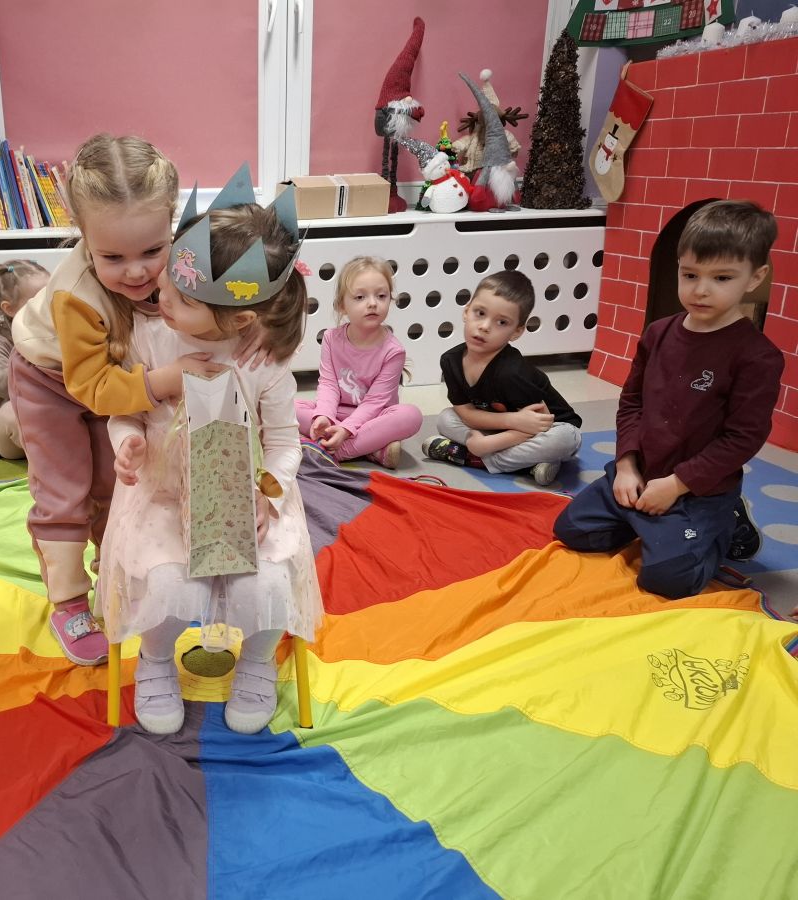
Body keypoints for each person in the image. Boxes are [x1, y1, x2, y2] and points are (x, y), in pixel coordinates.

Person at [99, 174, 322, 736]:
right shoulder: (152, 335)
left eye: (182, 298)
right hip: (162, 494)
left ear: (240, 318)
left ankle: (256, 661)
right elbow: (125, 409)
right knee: (174, 584)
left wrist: (268, 497)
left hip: (245, 500)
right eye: (168, 284)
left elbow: (284, 444)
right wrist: (126, 442)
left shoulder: (263, 359)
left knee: (263, 586)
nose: (161, 299)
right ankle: (156, 660)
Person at [8, 134, 223, 666]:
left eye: (152, 251)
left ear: (171, 224)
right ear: (84, 237)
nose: (136, 272)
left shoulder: (180, 255)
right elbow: (93, 388)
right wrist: (165, 380)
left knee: (119, 479)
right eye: (112, 257)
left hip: (120, 377)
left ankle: (117, 570)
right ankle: (68, 603)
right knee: (65, 491)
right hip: (50, 381)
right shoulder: (77, 296)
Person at [554, 201, 782, 599]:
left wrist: (676, 486)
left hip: (697, 491)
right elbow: (632, 402)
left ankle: (728, 521)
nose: (700, 289)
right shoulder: (658, 333)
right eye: (690, 274)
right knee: (572, 531)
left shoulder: (757, 356)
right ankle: (650, 525)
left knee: (666, 580)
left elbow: (742, 439)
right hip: (640, 474)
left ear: (755, 277)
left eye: (722, 277)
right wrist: (626, 466)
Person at [422, 270, 582, 486]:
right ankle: (526, 464)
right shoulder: (450, 360)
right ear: (466, 311)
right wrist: (509, 422)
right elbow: (466, 413)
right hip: (504, 426)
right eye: (480, 313)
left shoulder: (512, 372)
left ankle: (471, 457)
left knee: (564, 440)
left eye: (502, 322)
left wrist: (485, 445)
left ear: (516, 332)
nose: (485, 326)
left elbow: (540, 423)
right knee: (445, 418)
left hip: (550, 427)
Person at [296, 255, 421, 469]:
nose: (372, 303)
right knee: (288, 406)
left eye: (381, 296)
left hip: (374, 417)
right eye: (360, 297)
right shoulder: (330, 338)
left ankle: (332, 450)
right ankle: (373, 449)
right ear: (342, 306)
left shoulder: (394, 351)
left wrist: (346, 430)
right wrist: (324, 416)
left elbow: (375, 402)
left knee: (411, 415)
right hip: (338, 412)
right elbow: (328, 385)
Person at [0, 259, 48, 459]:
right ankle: (45, 463)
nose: (49, 306)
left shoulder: (56, 332)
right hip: (9, 431)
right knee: (14, 413)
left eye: (51, 296)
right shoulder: (0, 340)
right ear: (9, 309)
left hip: (50, 417)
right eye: (37, 302)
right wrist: (34, 369)